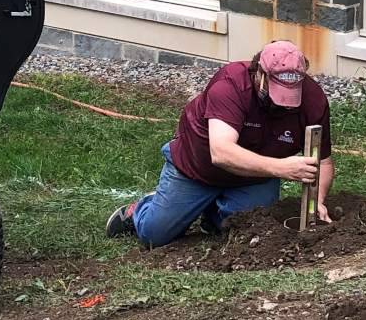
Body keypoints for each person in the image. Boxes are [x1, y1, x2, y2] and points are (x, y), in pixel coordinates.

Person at [105, 41, 335, 249]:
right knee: (155, 235)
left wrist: (319, 202)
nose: (285, 103)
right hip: (198, 169)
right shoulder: (231, 86)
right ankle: (142, 208)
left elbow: (323, 160)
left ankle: (212, 211)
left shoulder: (313, 100)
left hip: (255, 177)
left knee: (249, 232)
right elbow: (221, 153)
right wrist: (281, 168)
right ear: (260, 74)